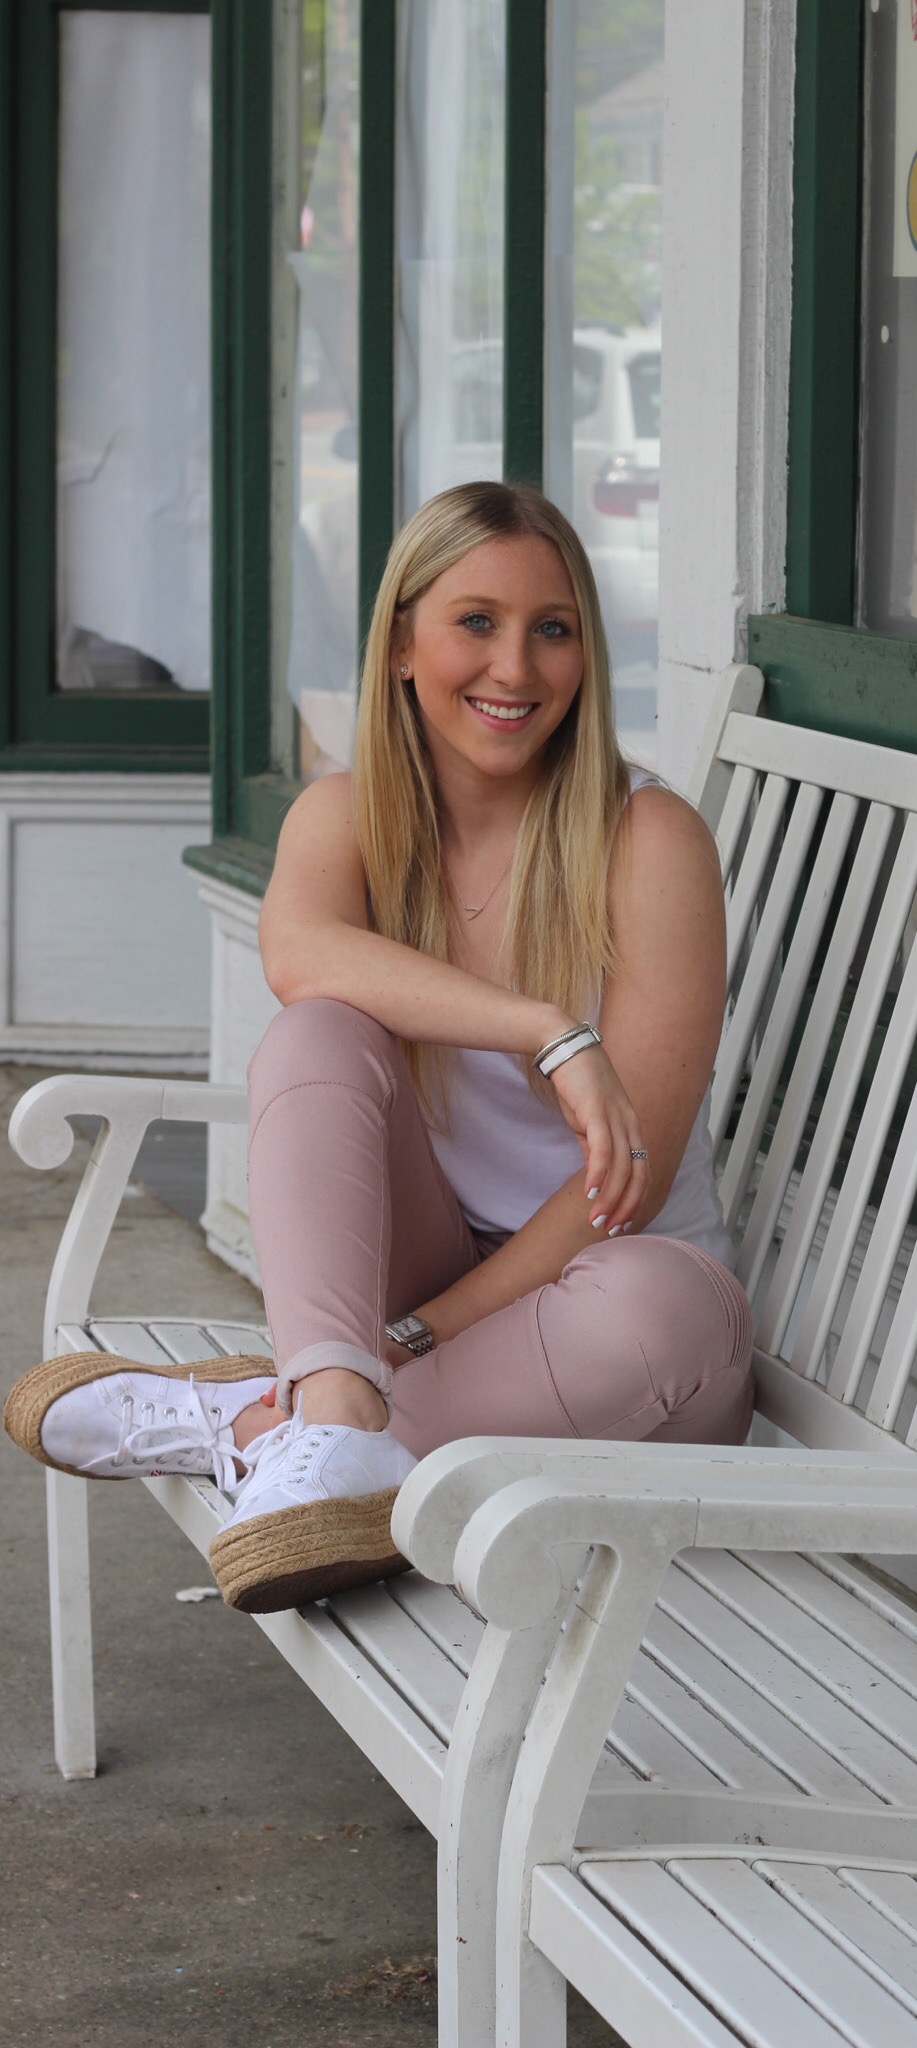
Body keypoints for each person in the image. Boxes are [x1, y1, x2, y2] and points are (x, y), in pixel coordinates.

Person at [5, 482, 754, 1611]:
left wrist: (405, 1339)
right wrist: (547, 1026)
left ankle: (266, 1418)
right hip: (421, 1270)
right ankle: (329, 1420)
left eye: (554, 628)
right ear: (403, 642)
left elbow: (622, 1194)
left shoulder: (648, 838)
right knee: (317, 1031)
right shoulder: (347, 817)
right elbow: (300, 957)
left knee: (666, 1310)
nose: (516, 667)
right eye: (476, 622)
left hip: (608, 1306)